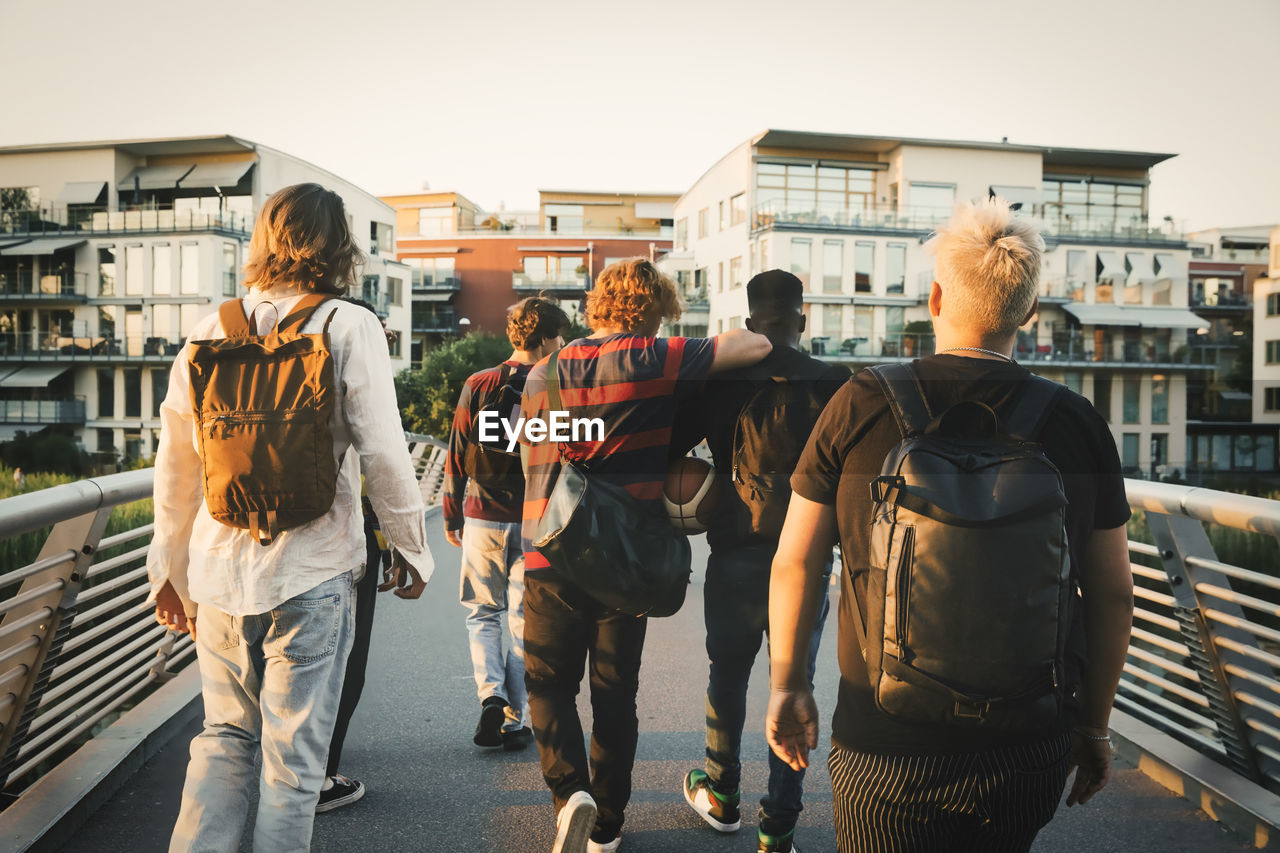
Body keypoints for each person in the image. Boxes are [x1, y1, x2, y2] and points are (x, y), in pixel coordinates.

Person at [767, 196, 1134, 853]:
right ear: (1028, 310)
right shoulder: (1075, 422)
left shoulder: (860, 404)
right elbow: (1112, 591)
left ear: (935, 296)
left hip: (884, 741)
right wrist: (1096, 726)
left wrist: (789, 685)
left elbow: (796, 558)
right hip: (1026, 745)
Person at [147, 183, 433, 853]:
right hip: (313, 570)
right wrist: (411, 549)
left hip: (217, 577)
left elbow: (178, 465)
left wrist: (169, 567)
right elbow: (386, 451)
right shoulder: (345, 323)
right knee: (293, 766)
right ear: (338, 247)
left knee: (223, 740)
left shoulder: (209, 328)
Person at [520, 258, 773, 853]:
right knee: (614, 692)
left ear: (597, 306)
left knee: (547, 684)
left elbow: (531, 461)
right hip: (623, 564)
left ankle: (568, 794)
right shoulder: (655, 359)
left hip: (549, 555)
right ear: (655, 310)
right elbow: (755, 344)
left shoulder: (542, 373)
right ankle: (606, 825)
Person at [671, 270, 849, 853]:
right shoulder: (835, 384)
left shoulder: (721, 384)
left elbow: (670, 445)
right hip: (810, 555)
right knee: (791, 681)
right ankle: (779, 825)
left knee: (728, 671)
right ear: (803, 320)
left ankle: (721, 793)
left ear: (750, 325)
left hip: (735, 548)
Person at [444, 296, 570, 751]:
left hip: (483, 516)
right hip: (537, 521)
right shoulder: (558, 387)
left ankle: (490, 696)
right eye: (562, 337)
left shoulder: (480, 383)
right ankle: (516, 720)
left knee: (481, 612)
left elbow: (457, 451)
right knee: (520, 618)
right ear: (550, 338)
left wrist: (451, 512)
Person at [316, 296, 401, 813]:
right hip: (341, 539)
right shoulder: (356, 359)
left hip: (242, 541)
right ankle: (320, 778)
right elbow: (382, 461)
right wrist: (402, 545)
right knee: (346, 661)